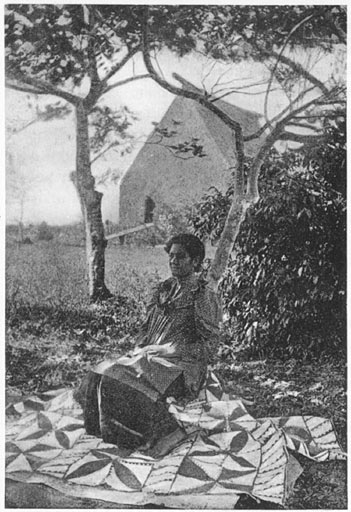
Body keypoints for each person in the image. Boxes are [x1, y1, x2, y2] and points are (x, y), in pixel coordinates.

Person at [76, 234, 222, 453]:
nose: (173, 261)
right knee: (97, 375)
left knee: (117, 381)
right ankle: (116, 432)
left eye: (180, 257)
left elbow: (210, 348)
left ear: (195, 261)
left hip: (182, 367)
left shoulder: (202, 296)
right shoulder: (163, 289)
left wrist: (169, 349)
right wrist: (138, 349)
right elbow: (146, 329)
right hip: (151, 357)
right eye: (171, 256)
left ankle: (168, 430)